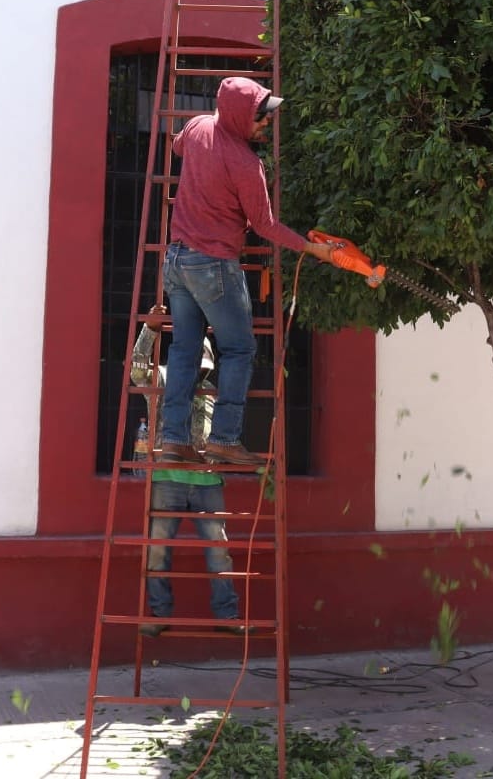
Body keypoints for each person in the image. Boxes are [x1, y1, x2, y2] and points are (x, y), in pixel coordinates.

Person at [161, 76, 333, 467]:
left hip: (176, 261)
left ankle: (173, 437)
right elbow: (265, 225)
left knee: (184, 351)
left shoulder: (198, 125)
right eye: (260, 118)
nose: (266, 124)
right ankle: (223, 438)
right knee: (238, 349)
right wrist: (313, 249)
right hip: (213, 264)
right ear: (240, 115)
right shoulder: (245, 163)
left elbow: (177, 147)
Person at [130, 305, 246, 636]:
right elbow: (137, 371)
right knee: (157, 549)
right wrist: (149, 330)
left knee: (218, 551)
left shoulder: (214, 389)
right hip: (168, 477)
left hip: (206, 479)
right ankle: (159, 613)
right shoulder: (164, 378)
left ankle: (227, 615)